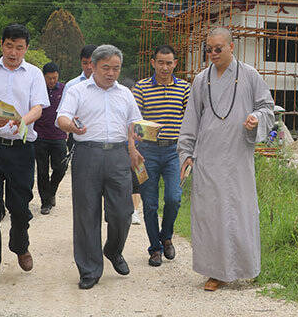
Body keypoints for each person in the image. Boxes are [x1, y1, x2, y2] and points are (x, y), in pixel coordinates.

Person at [177, 27, 274, 291]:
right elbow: (192, 119)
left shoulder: (250, 75)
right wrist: (186, 152)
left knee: (241, 212)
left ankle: (244, 268)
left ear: (232, 47)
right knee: (210, 214)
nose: (213, 54)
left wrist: (256, 119)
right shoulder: (200, 80)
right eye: (208, 49)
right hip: (207, 157)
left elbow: (268, 107)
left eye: (218, 48)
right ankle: (215, 272)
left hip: (238, 157)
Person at [56, 45, 144, 290]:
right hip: (87, 154)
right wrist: (71, 127)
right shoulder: (77, 90)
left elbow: (133, 123)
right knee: (86, 214)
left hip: (118, 156)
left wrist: (136, 144)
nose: (111, 73)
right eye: (106, 68)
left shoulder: (125, 93)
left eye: (116, 68)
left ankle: (113, 250)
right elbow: (62, 117)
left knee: (122, 212)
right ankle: (89, 269)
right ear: (92, 66)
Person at [0, 24, 49, 288]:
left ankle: (20, 244)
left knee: (19, 206)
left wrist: (23, 121)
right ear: (1, 45)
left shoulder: (35, 74)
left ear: (26, 48)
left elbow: (38, 107)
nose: (13, 52)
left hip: (22, 149)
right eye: (9, 46)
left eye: (19, 47)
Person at [131, 44, 189, 267]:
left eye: (169, 63)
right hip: (147, 152)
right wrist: (134, 149)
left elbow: (190, 119)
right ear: (153, 62)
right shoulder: (142, 88)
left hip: (174, 152)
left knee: (174, 198)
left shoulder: (184, 88)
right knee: (150, 203)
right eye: (161, 62)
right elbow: (134, 120)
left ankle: (166, 236)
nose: (165, 67)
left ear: (175, 63)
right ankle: (154, 248)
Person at [34, 62, 67, 215]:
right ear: (43, 77)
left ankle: (51, 191)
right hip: (40, 136)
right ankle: (45, 202)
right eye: (49, 78)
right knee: (42, 171)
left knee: (61, 168)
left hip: (59, 135)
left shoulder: (64, 89)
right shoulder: (37, 89)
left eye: (54, 78)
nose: (52, 81)